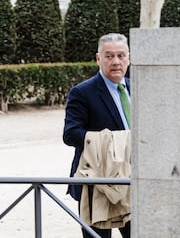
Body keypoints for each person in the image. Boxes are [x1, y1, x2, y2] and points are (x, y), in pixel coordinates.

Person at [63, 33, 131, 238]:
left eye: (121, 55)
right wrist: (112, 142)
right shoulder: (82, 92)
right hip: (97, 183)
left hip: (131, 180)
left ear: (129, 57)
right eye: (109, 56)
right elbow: (70, 134)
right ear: (98, 58)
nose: (116, 62)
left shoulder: (139, 86)